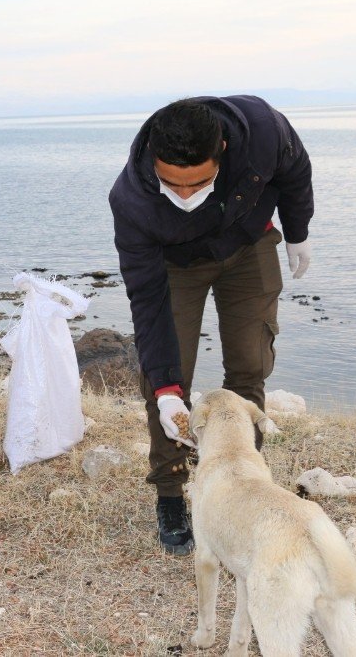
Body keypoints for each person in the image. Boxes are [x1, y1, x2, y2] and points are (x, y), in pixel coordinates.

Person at [109, 96, 313, 554]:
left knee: (248, 364)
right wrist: (164, 389)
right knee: (168, 378)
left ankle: (247, 484)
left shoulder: (264, 130)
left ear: (222, 148)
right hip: (176, 265)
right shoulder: (133, 201)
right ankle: (170, 491)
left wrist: (297, 231)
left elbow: (296, 170)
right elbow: (147, 299)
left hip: (249, 243)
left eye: (198, 183)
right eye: (172, 184)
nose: (184, 195)